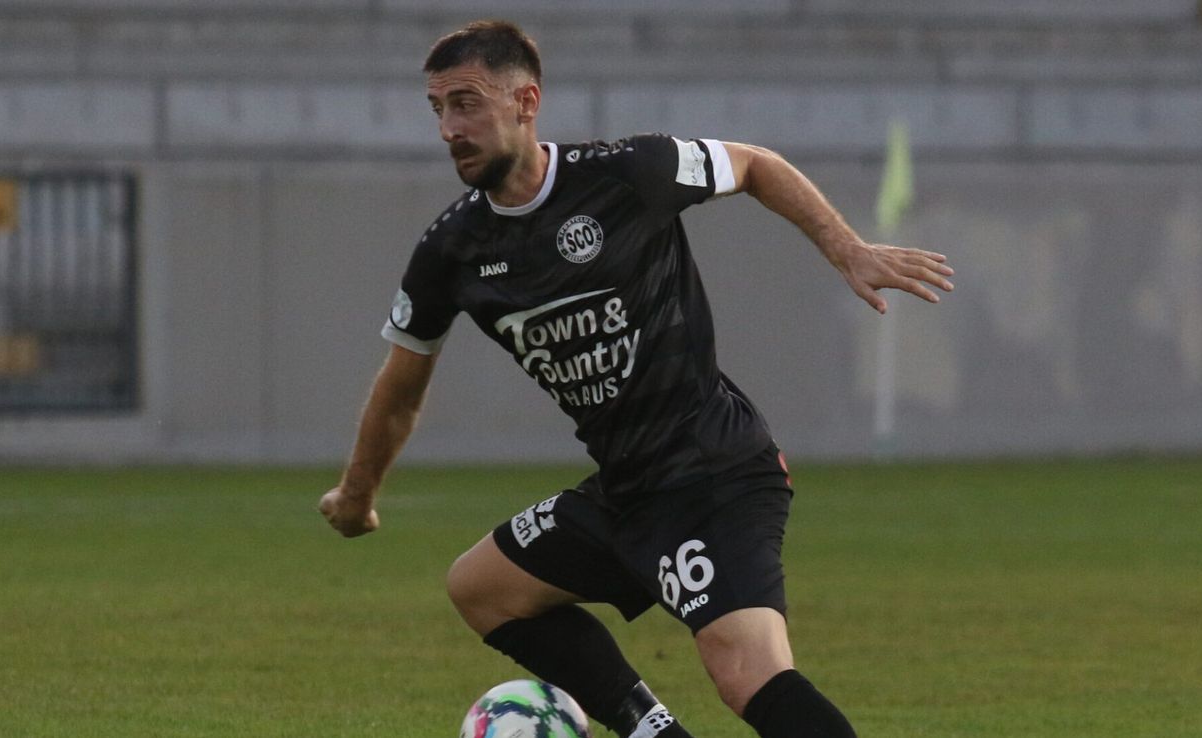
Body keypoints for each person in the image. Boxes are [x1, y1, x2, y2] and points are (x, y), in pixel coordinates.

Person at [319, 19, 954, 738]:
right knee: (482, 589)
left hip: (710, 472)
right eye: (437, 109)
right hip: (624, 490)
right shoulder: (452, 249)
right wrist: (357, 494)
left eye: (465, 103)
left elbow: (754, 165)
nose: (448, 128)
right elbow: (402, 384)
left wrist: (847, 248)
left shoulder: (627, 173)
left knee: (745, 671)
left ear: (525, 102)